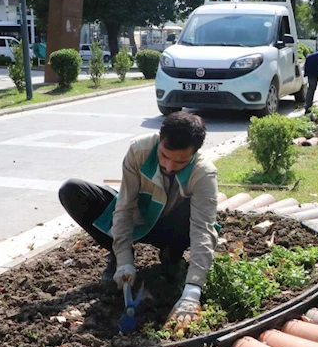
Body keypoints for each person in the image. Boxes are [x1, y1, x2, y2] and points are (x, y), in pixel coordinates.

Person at [58, 112, 218, 329]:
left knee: (195, 215)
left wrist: (192, 289)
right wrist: (124, 258)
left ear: (194, 153)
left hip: (173, 229)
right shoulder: (139, 151)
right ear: (160, 138)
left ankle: (172, 255)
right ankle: (117, 256)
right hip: (140, 222)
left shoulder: (203, 173)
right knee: (72, 190)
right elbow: (123, 208)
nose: (169, 166)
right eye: (164, 155)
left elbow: (202, 230)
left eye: (180, 161)